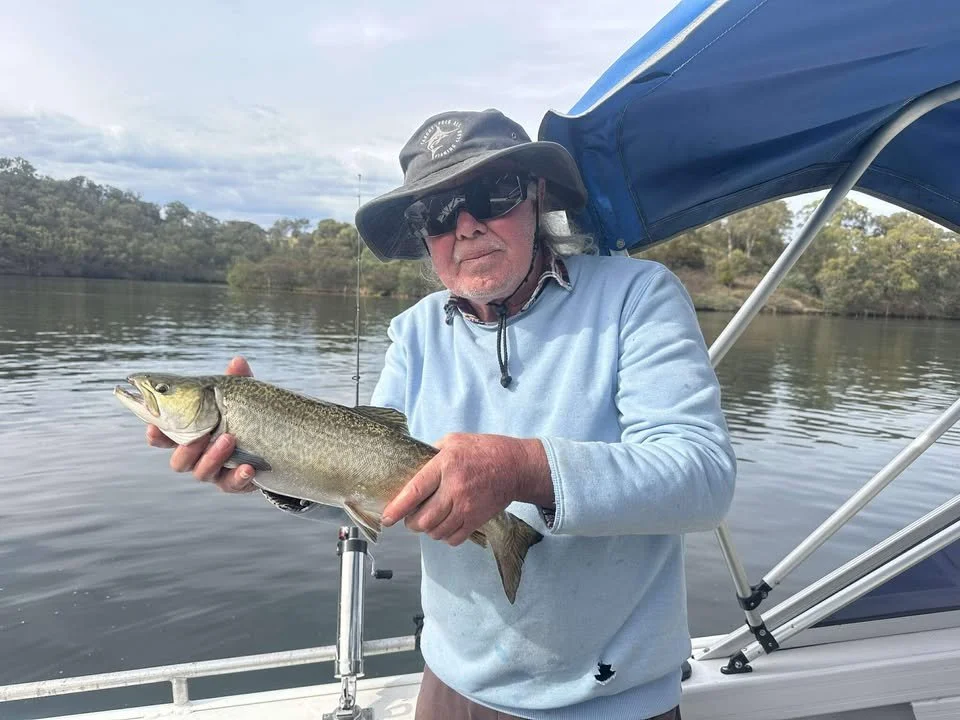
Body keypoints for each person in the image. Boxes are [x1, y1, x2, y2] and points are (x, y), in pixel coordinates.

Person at [147, 109, 736, 720]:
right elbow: (371, 482)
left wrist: (524, 470)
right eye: (437, 213)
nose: (466, 225)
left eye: (490, 194)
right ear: (423, 235)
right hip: (452, 687)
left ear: (537, 196)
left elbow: (702, 477)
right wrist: (265, 468)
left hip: (614, 701)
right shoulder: (414, 331)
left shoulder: (639, 296)